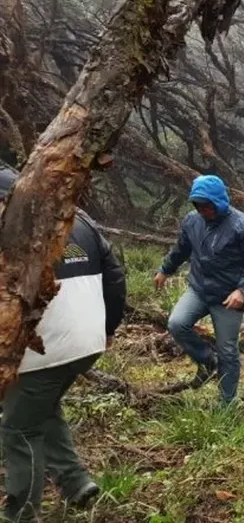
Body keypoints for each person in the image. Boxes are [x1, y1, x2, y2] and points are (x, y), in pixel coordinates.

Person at [0, 168, 126, 521]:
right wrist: (108, 328)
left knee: (18, 427)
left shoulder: (13, 227)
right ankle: (75, 483)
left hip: (46, 349)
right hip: (87, 342)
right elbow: (115, 277)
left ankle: (22, 514)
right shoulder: (79, 218)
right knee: (43, 408)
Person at [156, 175, 244, 405]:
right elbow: (182, 249)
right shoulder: (192, 221)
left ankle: (227, 403)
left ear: (219, 201)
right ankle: (207, 361)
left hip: (229, 296)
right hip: (199, 288)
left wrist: (243, 290)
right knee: (177, 323)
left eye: (207, 206)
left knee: (228, 350)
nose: (203, 211)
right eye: (198, 206)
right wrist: (165, 269)